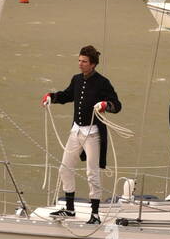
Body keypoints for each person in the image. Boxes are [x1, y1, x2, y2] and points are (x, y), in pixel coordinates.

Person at [42, 44, 121, 223]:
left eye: (84, 61)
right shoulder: (77, 79)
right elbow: (67, 95)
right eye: (79, 60)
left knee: (92, 173)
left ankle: (95, 214)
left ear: (92, 64)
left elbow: (117, 104)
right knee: (64, 168)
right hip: (76, 131)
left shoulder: (103, 82)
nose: (80, 64)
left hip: (93, 134)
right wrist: (51, 97)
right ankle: (70, 209)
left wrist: (104, 105)